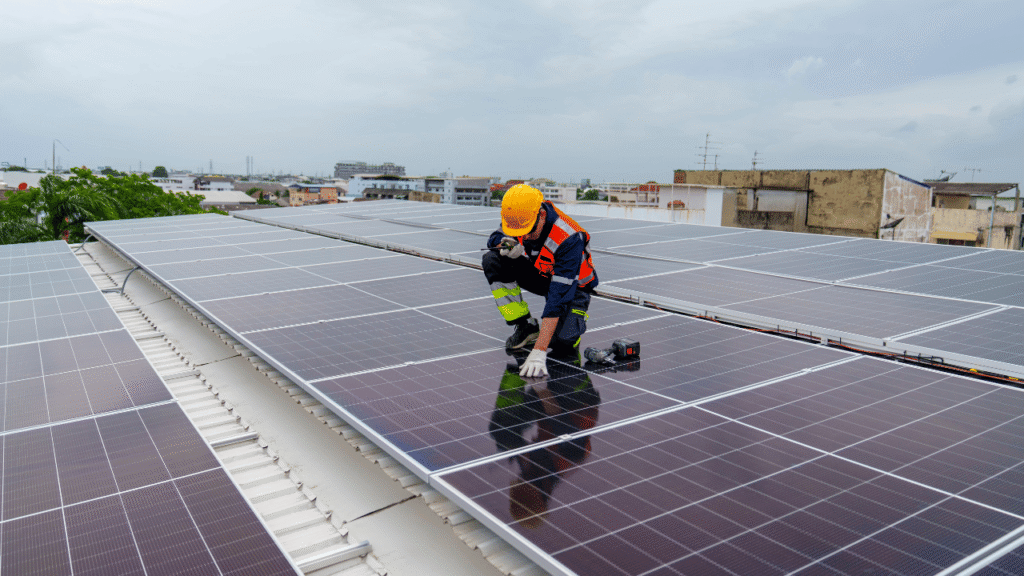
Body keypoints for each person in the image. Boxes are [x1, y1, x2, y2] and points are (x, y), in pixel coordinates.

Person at [483, 184, 599, 378]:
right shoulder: (519, 215)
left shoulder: (568, 237)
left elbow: (559, 297)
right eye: (521, 232)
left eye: (529, 230)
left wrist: (540, 350)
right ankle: (525, 325)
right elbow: (494, 238)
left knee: (562, 342)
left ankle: (573, 325)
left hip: (574, 289)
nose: (525, 237)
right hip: (543, 276)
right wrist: (504, 243)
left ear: (542, 215)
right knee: (493, 260)